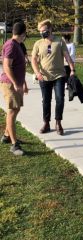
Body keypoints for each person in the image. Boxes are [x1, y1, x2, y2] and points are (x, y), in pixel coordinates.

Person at [31, 19, 75, 135]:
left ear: (50, 29)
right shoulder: (38, 43)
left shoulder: (59, 41)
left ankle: (58, 122)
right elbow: (33, 60)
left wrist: (72, 69)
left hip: (59, 76)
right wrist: (37, 73)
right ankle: (46, 123)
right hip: (44, 77)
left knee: (60, 99)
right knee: (46, 100)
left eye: (44, 30)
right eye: (40, 31)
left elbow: (67, 56)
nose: (42, 33)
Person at [0, 21, 28, 156]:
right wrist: (16, 83)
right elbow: (6, 66)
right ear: (23, 33)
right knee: (12, 111)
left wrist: (24, 84)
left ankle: (6, 135)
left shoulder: (17, 45)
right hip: (10, 84)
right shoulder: (11, 45)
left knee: (16, 109)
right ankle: (14, 145)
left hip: (16, 83)